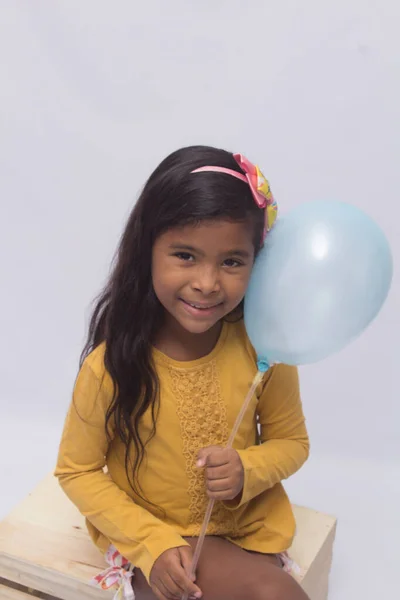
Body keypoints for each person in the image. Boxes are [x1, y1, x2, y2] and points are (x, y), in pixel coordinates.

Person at [55, 145, 310, 600]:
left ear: (258, 261)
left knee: (275, 593)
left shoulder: (266, 350)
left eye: (232, 261)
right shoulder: (112, 366)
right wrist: (151, 543)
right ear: (147, 249)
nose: (208, 283)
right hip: (157, 537)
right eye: (186, 256)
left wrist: (247, 469)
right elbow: (77, 470)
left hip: (248, 530)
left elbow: (292, 442)